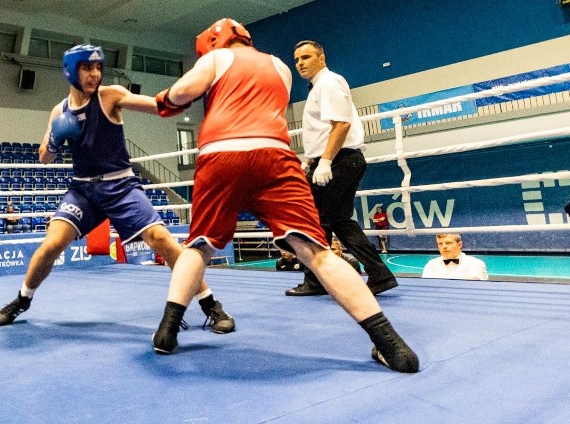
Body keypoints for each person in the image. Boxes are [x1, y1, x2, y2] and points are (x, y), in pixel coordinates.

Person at [150, 19, 418, 373]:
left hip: (222, 153)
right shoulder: (279, 67)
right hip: (275, 155)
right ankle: (392, 345)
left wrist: (164, 102)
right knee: (317, 252)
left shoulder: (215, 60)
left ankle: (167, 332)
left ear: (213, 43)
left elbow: (183, 93)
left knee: (199, 246)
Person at [0, 44, 235, 335]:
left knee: (160, 238)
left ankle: (211, 305)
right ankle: (22, 300)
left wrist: (188, 93)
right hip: (83, 191)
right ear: (71, 71)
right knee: (52, 244)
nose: (95, 74)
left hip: (121, 185)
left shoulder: (111, 96)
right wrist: (55, 140)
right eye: (87, 68)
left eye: (98, 67)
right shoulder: (60, 110)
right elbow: (45, 157)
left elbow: (158, 106)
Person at [285, 40, 397, 297]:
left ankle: (315, 281)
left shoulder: (328, 83)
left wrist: (324, 161)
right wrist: (312, 160)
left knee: (314, 220)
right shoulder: (319, 87)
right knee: (340, 221)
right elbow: (325, 130)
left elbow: (341, 125)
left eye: (306, 57)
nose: (300, 63)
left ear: (321, 58)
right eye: (297, 60)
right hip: (340, 160)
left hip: (338, 160)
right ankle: (379, 274)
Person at [421, 233, 489, 281]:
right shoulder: (431, 264)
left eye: (448, 243)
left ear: (459, 244)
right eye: (440, 244)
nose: (444, 247)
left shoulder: (476, 264)